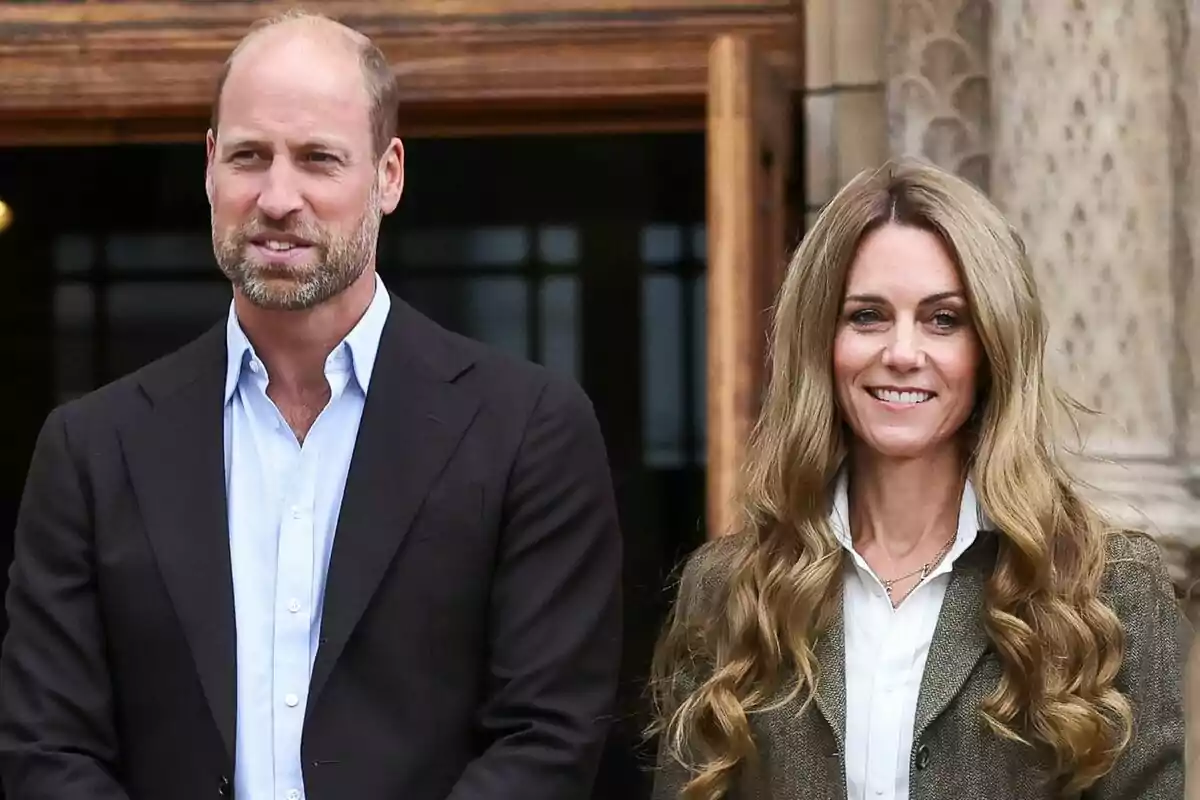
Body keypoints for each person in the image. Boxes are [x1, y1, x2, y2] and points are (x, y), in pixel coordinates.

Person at [0, 10, 622, 800]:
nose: (277, 197)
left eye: (319, 160)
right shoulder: (92, 447)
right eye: (249, 156)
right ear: (208, 168)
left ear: (388, 174)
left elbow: (549, 735)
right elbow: (47, 748)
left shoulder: (529, 429)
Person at [648, 159, 1190, 800]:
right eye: (868, 316)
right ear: (823, 339)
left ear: (990, 348)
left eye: (943, 319)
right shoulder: (730, 588)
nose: (902, 353)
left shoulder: (1110, 587)